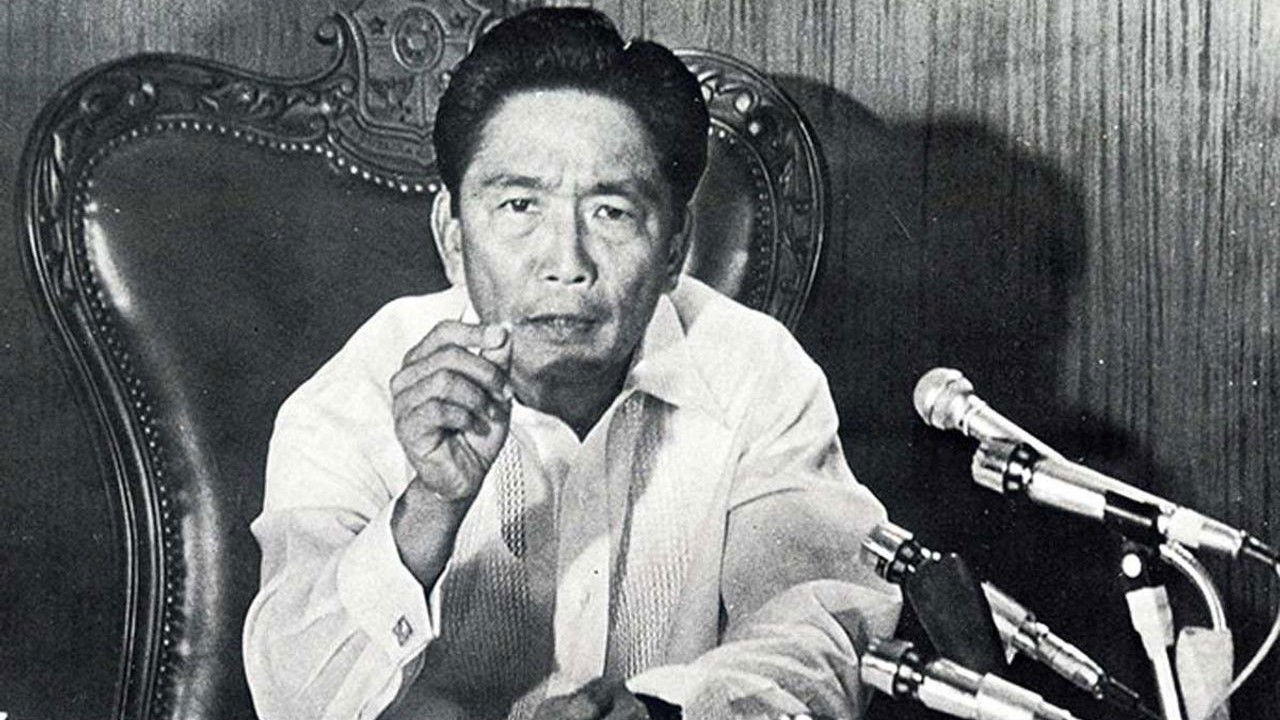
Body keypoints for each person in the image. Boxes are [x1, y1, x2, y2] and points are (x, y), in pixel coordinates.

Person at [242, 7, 900, 720]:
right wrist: (429, 506)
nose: (567, 263)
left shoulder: (755, 372)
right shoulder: (361, 393)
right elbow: (291, 695)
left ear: (675, 246)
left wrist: (664, 712)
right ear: (453, 237)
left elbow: (818, 632)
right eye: (519, 205)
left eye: (611, 212)